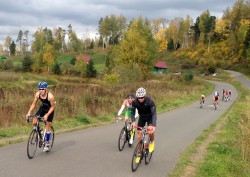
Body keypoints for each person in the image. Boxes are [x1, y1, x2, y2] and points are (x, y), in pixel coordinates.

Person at [26, 81, 56, 152]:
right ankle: (40, 131)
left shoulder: (50, 96)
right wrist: (28, 112)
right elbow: (33, 104)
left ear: (46, 89)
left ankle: (47, 143)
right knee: (34, 121)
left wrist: (47, 115)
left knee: (48, 125)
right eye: (39, 89)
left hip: (49, 109)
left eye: (42, 89)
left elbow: (53, 107)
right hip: (43, 108)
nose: (41, 90)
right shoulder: (37, 94)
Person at [131, 87, 157, 163]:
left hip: (150, 118)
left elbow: (154, 114)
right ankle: (139, 153)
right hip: (142, 118)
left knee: (149, 131)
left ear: (144, 96)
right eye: (139, 97)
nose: (140, 99)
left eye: (142, 97)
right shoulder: (135, 102)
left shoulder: (150, 102)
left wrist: (154, 126)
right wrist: (133, 121)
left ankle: (152, 142)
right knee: (139, 136)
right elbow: (132, 113)